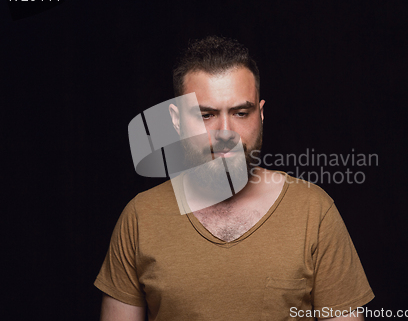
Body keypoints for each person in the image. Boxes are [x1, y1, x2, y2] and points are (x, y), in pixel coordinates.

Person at [95, 36, 374, 320]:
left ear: (261, 115)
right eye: (206, 115)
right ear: (176, 120)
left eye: (241, 113)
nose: (226, 133)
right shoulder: (141, 217)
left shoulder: (314, 212)